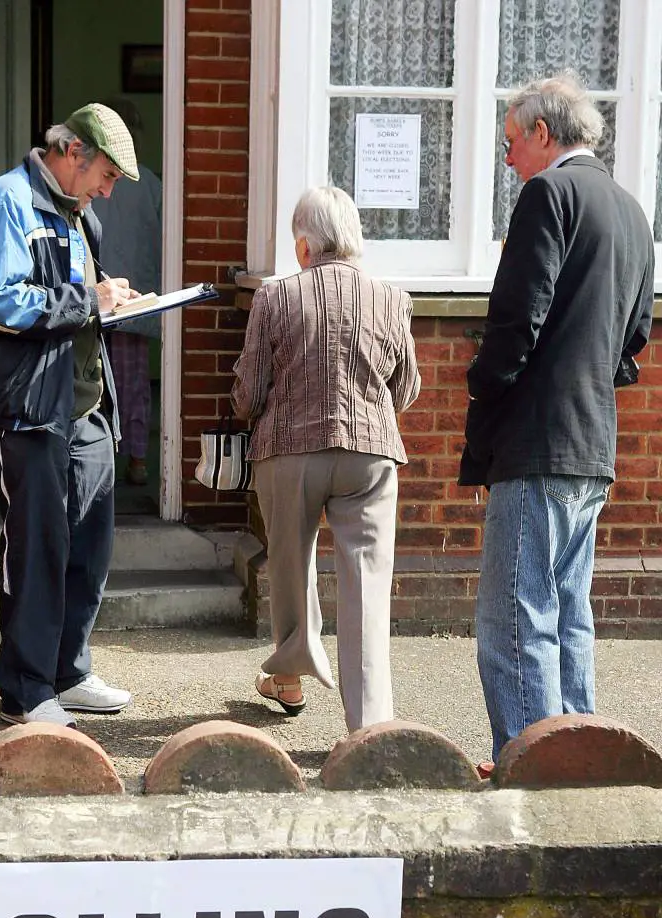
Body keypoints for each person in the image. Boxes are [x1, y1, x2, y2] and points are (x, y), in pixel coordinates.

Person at [459, 74, 655, 764]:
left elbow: (517, 319)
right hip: (593, 440)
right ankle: (578, 758)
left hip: (537, 439)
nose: (508, 158)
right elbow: (636, 334)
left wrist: (483, 384)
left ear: (543, 133)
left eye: (511, 142)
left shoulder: (549, 194)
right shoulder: (632, 211)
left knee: (517, 618)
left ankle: (529, 762)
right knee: (569, 613)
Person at [0, 103, 142, 727]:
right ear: (72, 153)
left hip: (84, 405)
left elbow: (75, 308)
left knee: (88, 548)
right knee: (36, 549)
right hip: (32, 405)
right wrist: (87, 298)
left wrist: (112, 303)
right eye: (107, 175)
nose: (108, 191)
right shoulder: (7, 200)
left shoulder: (78, 213)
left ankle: (68, 673)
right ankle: (25, 689)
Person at [231, 186, 421, 733]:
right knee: (366, 581)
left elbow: (250, 393)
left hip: (288, 450)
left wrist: (246, 403)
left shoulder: (274, 297)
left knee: (290, 564)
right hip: (369, 453)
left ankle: (289, 677)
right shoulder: (392, 298)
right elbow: (405, 389)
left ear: (303, 247)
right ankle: (369, 725)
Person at [92, 101, 163, 487]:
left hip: (97, 295)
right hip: (135, 296)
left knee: (97, 382)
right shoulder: (150, 184)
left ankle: (103, 458)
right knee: (134, 383)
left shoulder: (91, 184)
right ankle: (136, 458)